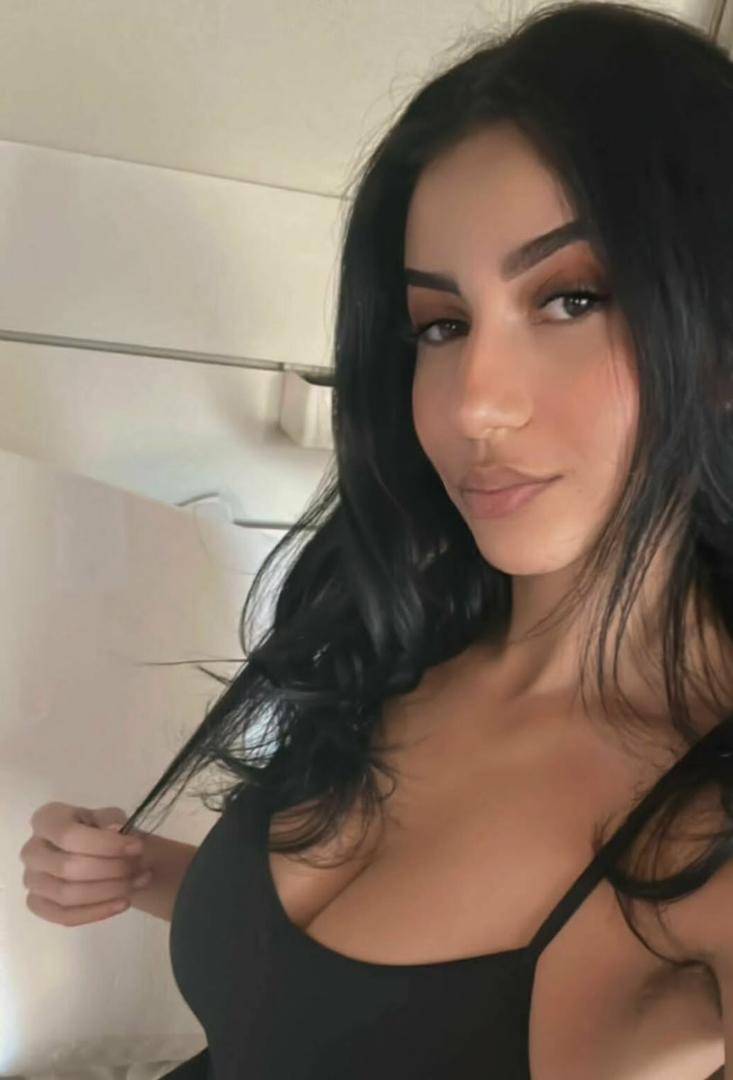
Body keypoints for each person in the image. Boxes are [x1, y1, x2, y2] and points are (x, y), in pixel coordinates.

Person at [20, 3, 733, 1076]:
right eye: (440, 326)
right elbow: (319, 996)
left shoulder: (702, 825)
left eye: (571, 298)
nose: (471, 402)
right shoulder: (393, 638)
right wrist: (142, 873)